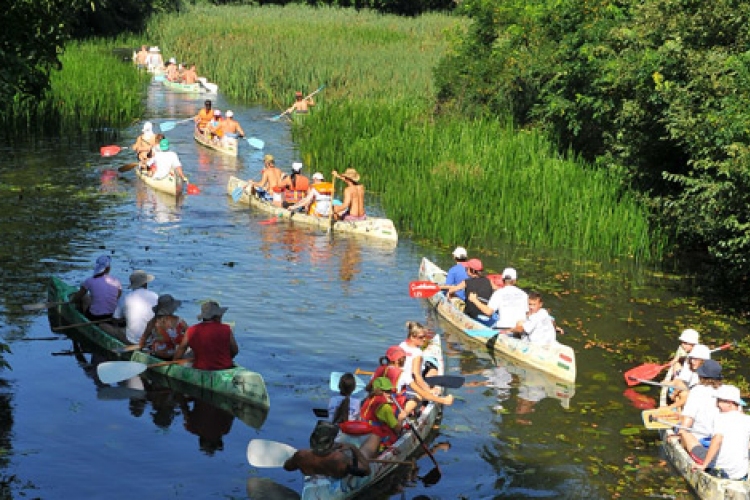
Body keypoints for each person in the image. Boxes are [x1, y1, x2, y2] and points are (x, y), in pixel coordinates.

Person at [688, 385, 750, 480]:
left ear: (730, 403)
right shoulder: (747, 419)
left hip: (721, 471)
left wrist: (704, 465)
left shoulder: (720, 418)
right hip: (741, 474)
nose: (716, 405)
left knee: (688, 436)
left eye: (719, 401)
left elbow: (717, 440)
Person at [397, 321, 454, 416]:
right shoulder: (417, 353)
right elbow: (416, 376)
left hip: (399, 382)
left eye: (425, 336)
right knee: (420, 395)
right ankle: (405, 413)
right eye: (421, 337)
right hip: (410, 383)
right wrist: (428, 390)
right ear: (412, 337)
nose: (424, 339)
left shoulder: (401, 346)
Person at [284, 420, 374, 478]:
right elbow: (366, 471)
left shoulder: (301, 455)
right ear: (331, 441)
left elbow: (287, 467)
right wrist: (353, 448)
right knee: (373, 438)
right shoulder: (339, 458)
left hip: (315, 478)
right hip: (337, 479)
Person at [675, 359, 724, 454]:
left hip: (700, 440)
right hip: (722, 440)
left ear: (701, 375)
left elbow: (687, 421)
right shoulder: (728, 391)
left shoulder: (696, 391)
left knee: (679, 427)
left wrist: (679, 433)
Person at [173, 301, 238, 370]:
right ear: (216, 316)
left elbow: (181, 349)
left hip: (202, 368)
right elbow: (234, 350)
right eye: (220, 315)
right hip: (225, 366)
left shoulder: (192, 330)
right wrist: (226, 359)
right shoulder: (226, 329)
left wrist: (174, 362)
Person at [365, 345, 417, 421]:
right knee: (418, 397)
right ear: (397, 360)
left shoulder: (380, 369)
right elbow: (422, 392)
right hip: (394, 407)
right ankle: (401, 417)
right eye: (404, 358)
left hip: (373, 406)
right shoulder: (403, 374)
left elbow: (368, 388)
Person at [110, 270, 158, 345]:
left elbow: (116, 319)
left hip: (132, 341)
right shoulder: (155, 296)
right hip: (152, 340)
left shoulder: (125, 297)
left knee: (103, 326)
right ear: (145, 284)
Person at [70, 255, 122, 321]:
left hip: (95, 316)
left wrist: (71, 301)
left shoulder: (89, 281)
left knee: (85, 297)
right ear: (108, 268)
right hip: (111, 315)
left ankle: (83, 316)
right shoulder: (116, 281)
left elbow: (78, 297)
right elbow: (117, 297)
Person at [359, 377, 402, 454]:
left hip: (364, 435)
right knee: (397, 433)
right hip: (379, 441)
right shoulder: (385, 407)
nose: (390, 394)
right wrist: (401, 418)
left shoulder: (369, 399)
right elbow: (397, 429)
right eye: (387, 391)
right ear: (379, 391)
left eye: (390, 391)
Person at [139, 294, 189, 360]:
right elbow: (190, 333)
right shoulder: (179, 321)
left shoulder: (153, 321)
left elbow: (144, 338)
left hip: (155, 354)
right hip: (172, 355)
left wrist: (140, 349)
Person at [664, 344, 712, 409]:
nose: (692, 361)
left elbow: (688, 394)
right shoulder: (690, 366)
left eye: (696, 359)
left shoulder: (707, 375)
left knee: (684, 394)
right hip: (689, 392)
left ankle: (675, 410)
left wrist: (670, 406)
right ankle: (678, 411)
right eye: (692, 358)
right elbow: (681, 381)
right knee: (678, 390)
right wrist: (671, 385)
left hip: (700, 401)